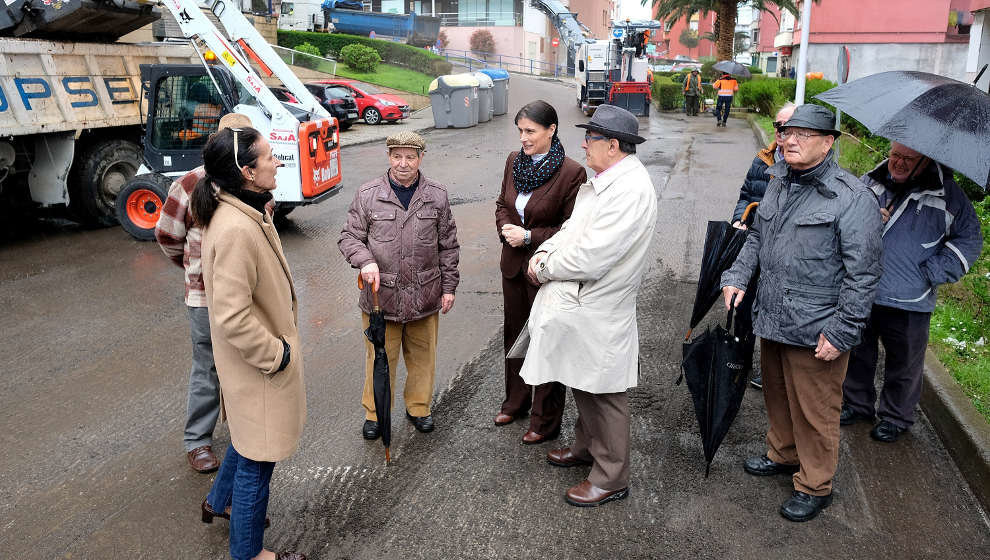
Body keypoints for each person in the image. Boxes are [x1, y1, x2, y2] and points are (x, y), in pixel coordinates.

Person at [720, 104, 882, 522]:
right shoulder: (777, 179)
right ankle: (783, 454)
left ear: (829, 143)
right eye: (788, 132)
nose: (790, 140)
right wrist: (737, 274)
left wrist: (843, 330)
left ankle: (814, 484)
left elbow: (863, 274)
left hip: (817, 327)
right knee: (777, 395)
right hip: (772, 315)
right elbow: (757, 235)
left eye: (804, 135)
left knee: (816, 409)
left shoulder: (852, 197)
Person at [513, 105, 658, 507]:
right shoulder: (605, 181)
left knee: (604, 392)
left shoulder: (629, 190)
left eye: (591, 139)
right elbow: (571, 232)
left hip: (596, 303)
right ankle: (586, 448)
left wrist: (544, 268)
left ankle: (611, 476)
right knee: (583, 380)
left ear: (612, 146)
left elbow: (592, 256)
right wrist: (544, 254)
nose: (584, 144)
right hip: (582, 300)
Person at [194, 127, 307, 560]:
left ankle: (217, 503)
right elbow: (232, 315)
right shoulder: (235, 229)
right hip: (258, 371)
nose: (277, 162)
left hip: (251, 372)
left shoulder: (244, 209)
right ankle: (248, 554)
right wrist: (276, 356)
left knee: (246, 444)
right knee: (257, 465)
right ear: (247, 171)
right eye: (270, 157)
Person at [841, 143, 983, 442]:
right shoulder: (871, 180)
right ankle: (856, 404)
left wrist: (933, 272)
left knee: (904, 362)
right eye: (894, 155)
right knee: (858, 352)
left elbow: (970, 238)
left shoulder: (948, 194)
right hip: (864, 287)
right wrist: (868, 219)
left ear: (925, 162)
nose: (898, 163)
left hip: (910, 297)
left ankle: (895, 416)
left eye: (908, 159)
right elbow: (844, 217)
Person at [339, 131, 460, 439]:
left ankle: (419, 407)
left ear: (421, 158)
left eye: (410, 157)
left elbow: (448, 245)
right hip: (382, 299)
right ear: (388, 156)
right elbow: (349, 237)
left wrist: (449, 287)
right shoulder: (368, 194)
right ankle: (375, 414)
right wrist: (365, 260)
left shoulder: (437, 195)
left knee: (422, 357)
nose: (403, 163)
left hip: (425, 294)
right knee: (379, 359)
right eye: (397, 156)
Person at [156, 112, 253, 474]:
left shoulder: (253, 184)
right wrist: (193, 269)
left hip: (246, 297)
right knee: (208, 367)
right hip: (204, 299)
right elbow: (167, 235)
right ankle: (197, 442)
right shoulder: (190, 183)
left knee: (248, 362)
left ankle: (246, 432)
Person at [494, 100, 586, 444]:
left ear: (552, 130)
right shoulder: (513, 162)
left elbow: (572, 227)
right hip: (512, 264)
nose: (523, 138)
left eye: (530, 131)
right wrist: (506, 228)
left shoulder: (571, 173)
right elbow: (503, 203)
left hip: (545, 269)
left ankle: (545, 421)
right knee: (514, 336)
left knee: (546, 340)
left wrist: (530, 236)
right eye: (520, 131)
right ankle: (515, 403)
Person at [728, 102, 796, 390]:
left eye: (788, 127)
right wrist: (738, 219)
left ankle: (773, 372)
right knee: (743, 306)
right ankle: (739, 363)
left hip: (782, 253)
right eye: (778, 126)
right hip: (754, 243)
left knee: (773, 309)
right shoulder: (762, 159)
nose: (781, 132)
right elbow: (746, 195)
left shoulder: (801, 164)